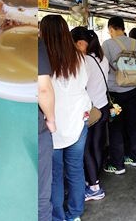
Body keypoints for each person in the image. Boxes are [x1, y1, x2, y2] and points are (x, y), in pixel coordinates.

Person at [40, 15, 91, 221]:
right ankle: (75, 214)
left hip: (52, 124)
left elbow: (44, 92)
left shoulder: (44, 59)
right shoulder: (79, 57)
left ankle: (58, 216)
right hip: (78, 121)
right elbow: (83, 86)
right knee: (76, 169)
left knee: (54, 176)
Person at [101, 17, 136, 174]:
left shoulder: (107, 44)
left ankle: (118, 164)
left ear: (112, 29)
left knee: (116, 128)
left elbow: (104, 66)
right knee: (133, 124)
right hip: (134, 91)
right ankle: (135, 158)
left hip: (115, 93)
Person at [71, 27, 110, 201]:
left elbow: (80, 86)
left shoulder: (84, 61)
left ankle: (94, 186)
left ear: (80, 43)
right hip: (102, 107)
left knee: (85, 149)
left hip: (90, 110)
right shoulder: (102, 59)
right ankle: (94, 179)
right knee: (96, 146)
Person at [38, 37, 56, 221]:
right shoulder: (36, 43)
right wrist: (51, 120)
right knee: (42, 192)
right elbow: (44, 89)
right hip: (38, 126)